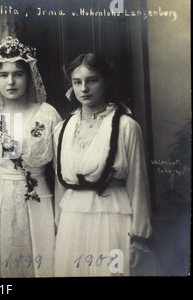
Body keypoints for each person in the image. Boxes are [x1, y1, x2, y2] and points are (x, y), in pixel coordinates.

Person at [53, 53, 152, 276]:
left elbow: (138, 183)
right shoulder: (62, 129)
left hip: (112, 215)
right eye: (77, 82)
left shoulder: (126, 126)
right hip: (72, 218)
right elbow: (60, 185)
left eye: (92, 80)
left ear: (105, 81)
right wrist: (59, 224)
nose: (84, 88)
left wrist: (139, 238)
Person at [0, 37, 62, 277]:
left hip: (39, 201)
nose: (11, 81)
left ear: (29, 75)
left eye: (18, 74)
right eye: (3, 75)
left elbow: (61, 171)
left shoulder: (47, 114)